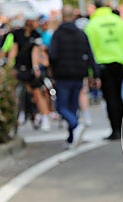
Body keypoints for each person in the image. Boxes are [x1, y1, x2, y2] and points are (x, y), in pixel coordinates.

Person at [49, 5, 99, 149]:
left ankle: (75, 126)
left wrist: (51, 69)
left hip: (63, 75)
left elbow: (53, 54)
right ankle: (72, 137)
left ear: (63, 16)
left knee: (62, 106)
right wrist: (95, 74)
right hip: (78, 74)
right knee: (72, 107)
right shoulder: (81, 33)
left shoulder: (58, 34)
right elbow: (90, 55)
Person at [85, 0, 123, 140]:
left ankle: (115, 129)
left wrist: (91, 72)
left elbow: (89, 49)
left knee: (110, 98)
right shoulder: (117, 21)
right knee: (119, 96)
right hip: (119, 63)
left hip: (102, 65)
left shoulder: (92, 25)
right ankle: (121, 128)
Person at [7, 14, 51, 131]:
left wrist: (36, 67)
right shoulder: (18, 34)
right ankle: (19, 114)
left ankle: (45, 117)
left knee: (37, 93)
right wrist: (9, 67)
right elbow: (13, 50)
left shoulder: (36, 34)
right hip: (20, 67)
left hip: (31, 68)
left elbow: (36, 52)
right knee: (16, 93)